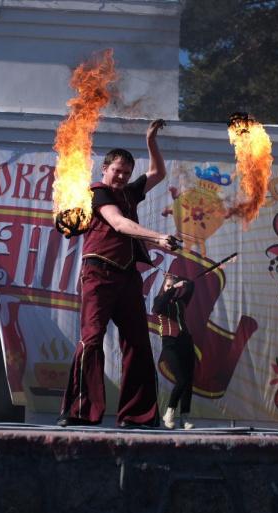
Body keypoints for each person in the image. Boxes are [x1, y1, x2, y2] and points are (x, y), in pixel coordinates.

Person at [58, 119, 180, 428]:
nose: (122, 176)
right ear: (105, 169)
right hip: (98, 274)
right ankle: (81, 412)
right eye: (117, 171)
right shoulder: (98, 193)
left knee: (137, 343)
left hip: (126, 276)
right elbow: (119, 224)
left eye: (127, 172)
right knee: (92, 339)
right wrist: (158, 237)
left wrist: (150, 140)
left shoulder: (129, 192)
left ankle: (137, 416)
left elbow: (157, 173)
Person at [153, 274, 196, 429]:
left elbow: (191, 285)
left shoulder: (180, 302)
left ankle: (184, 417)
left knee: (188, 381)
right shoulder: (159, 300)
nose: (170, 288)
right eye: (168, 286)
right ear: (164, 287)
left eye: (172, 285)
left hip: (186, 343)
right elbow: (157, 308)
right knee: (181, 380)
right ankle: (169, 412)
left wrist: (181, 279)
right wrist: (173, 288)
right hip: (170, 344)